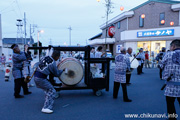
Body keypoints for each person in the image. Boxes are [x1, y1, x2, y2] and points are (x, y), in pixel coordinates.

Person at [159, 40, 180, 120]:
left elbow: (161, 66)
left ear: (173, 46)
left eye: (170, 46)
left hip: (171, 84)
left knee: (170, 103)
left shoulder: (168, 55)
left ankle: (172, 119)